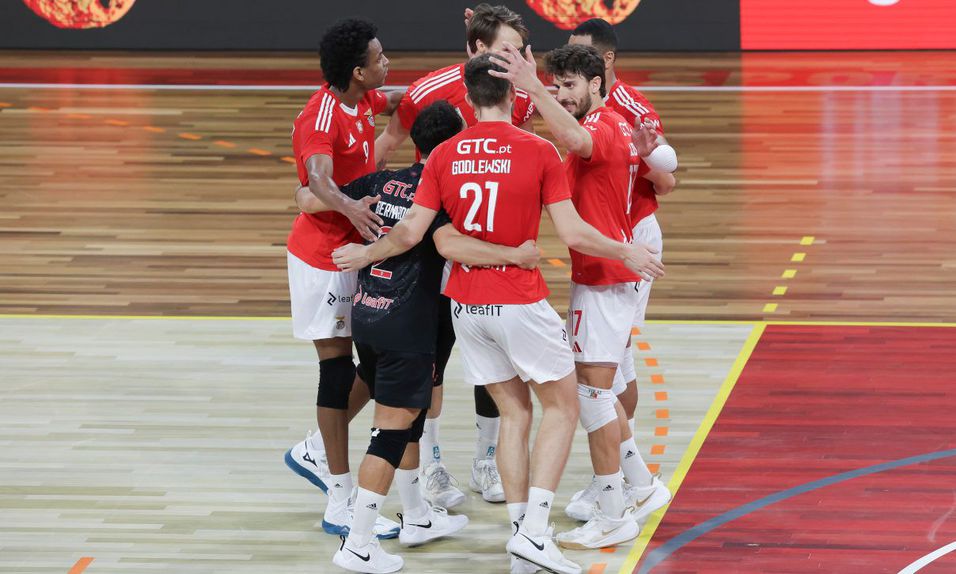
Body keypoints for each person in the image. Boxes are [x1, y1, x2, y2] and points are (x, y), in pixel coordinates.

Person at [333, 53, 665, 574]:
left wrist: (362, 254)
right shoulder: (539, 151)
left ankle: (521, 543)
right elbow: (575, 234)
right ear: (514, 96)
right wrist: (627, 251)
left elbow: (410, 234)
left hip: (466, 306)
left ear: (467, 98)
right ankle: (535, 530)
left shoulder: (444, 155)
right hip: (519, 302)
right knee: (563, 407)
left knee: (514, 413)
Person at [295, 101, 540, 574]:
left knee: (406, 419)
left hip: (367, 314)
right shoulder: (443, 191)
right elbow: (449, 244)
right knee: (391, 431)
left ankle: (418, 517)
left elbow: (311, 196)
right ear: (451, 144)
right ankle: (359, 543)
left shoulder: (377, 183)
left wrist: (315, 193)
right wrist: (516, 254)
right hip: (410, 322)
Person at [488, 41, 674, 549]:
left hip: (605, 278)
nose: (561, 94)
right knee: (602, 392)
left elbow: (574, 137)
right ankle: (639, 486)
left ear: (596, 84)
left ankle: (615, 511)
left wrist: (529, 87)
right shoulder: (611, 126)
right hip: (603, 275)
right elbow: (663, 180)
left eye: (569, 85)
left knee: (592, 396)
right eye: (556, 85)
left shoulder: (602, 125)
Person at [373, 2, 539, 508]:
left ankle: (487, 459)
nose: (511, 58)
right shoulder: (427, 93)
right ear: (474, 48)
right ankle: (435, 463)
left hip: (490, 246)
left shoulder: (521, 93)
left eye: (517, 49)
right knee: (434, 359)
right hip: (434, 240)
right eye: (501, 50)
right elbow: (386, 146)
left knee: (495, 361)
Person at [282, 18, 403, 540]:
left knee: (376, 363)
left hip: (356, 252)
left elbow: (398, 98)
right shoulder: (321, 115)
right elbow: (316, 180)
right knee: (336, 370)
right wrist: (352, 208)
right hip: (321, 260)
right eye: (379, 58)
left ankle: (313, 447)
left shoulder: (363, 101)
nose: (387, 63)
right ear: (357, 71)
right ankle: (338, 493)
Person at [564, 18, 677, 523]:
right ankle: (630, 477)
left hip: (625, 237)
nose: (568, 69)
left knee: (606, 372)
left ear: (602, 65)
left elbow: (667, 182)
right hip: (613, 241)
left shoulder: (627, 111)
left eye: (578, 61)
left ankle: (614, 481)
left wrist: (644, 157)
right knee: (613, 366)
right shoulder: (590, 114)